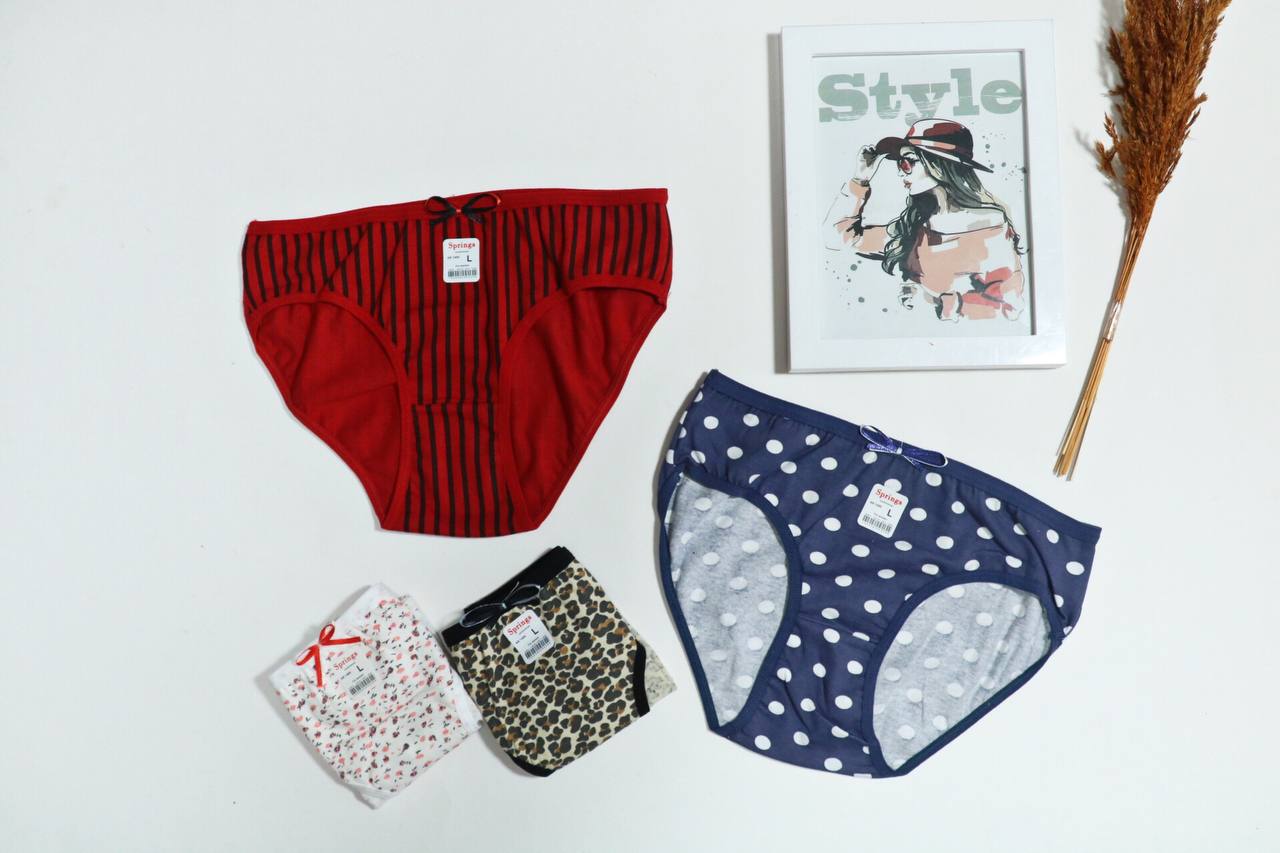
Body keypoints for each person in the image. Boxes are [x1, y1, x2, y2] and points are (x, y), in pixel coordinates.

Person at [823, 118, 1025, 322]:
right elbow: (836, 239)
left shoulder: (991, 226)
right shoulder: (915, 223)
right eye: (900, 163)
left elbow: (1009, 306)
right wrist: (859, 179)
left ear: (938, 165)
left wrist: (937, 302)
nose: (900, 171)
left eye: (907, 162)